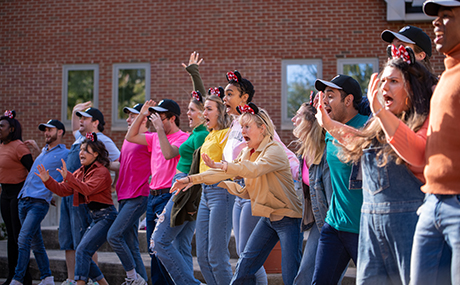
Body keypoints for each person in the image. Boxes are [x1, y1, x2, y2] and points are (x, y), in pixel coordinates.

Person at [317, 46, 436, 284]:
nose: (384, 87)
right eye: (382, 81)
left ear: (411, 88)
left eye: (393, 81)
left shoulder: (424, 119)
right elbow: (359, 142)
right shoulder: (378, 122)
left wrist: (380, 111)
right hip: (371, 229)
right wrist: (328, 124)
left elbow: (418, 153)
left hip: (407, 227)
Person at [171, 103, 303, 285]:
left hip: (288, 219)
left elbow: (253, 169)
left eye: (247, 127)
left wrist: (223, 165)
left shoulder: (274, 150)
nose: (242, 131)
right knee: (244, 267)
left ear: (262, 128)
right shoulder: (248, 152)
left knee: (290, 276)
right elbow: (226, 172)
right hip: (268, 218)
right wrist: (191, 180)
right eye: (241, 127)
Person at [223, 70, 299, 284]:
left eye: (230, 94)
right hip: (239, 191)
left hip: (253, 193)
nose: (225, 98)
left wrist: (301, 173)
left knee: (249, 255)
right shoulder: (234, 125)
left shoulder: (256, 124)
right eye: (225, 94)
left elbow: (283, 152)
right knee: (242, 251)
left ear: (244, 98)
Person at [410, 1, 460, 284]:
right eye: (436, 18)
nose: (436, 24)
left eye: (447, 16)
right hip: (431, 204)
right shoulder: (445, 78)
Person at [310, 75, 368, 284]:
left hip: (363, 228)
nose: (325, 101)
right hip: (334, 225)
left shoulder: (367, 127)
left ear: (348, 100)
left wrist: (328, 123)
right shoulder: (328, 130)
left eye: (331, 96)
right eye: (324, 96)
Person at [37, 132, 116, 285]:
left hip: (107, 217)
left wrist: (69, 177)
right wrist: (48, 181)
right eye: (80, 149)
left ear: (96, 154)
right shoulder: (80, 172)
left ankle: (80, 283)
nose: (81, 153)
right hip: (96, 217)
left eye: (86, 150)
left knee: (82, 250)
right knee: (83, 251)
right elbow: (63, 190)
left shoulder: (101, 172)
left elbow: (86, 189)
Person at [126, 99, 189, 285]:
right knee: (153, 249)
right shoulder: (154, 137)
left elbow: (169, 153)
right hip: (152, 196)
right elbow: (131, 136)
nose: (156, 121)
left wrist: (159, 129)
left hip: (168, 196)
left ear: (172, 118)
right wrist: (141, 115)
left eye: (160, 117)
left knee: (164, 247)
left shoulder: (183, 138)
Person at [59, 103, 120, 285]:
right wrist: (74, 109)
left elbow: (119, 162)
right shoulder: (81, 138)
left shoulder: (102, 140)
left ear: (95, 123)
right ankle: (73, 279)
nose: (80, 121)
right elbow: (73, 128)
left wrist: (110, 177)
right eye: (80, 118)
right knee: (71, 241)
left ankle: (88, 281)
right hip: (71, 192)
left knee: (83, 245)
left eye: (84, 118)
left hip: (86, 197)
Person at [151, 91, 208, 285]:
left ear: (204, 114)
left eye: (192, 110)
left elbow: (199, 168)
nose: (188, 113)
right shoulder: (196, 134)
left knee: (158, 241)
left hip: (185, 188)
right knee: (181, 245)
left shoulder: (201, 135)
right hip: (185, 186)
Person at [10, 119, 69, 285]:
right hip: (23, 199)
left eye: (50, 130)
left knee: (23, 239)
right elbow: (42, 169)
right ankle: (47, 277)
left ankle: (17, 279)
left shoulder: (66, 153)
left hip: (38, 202)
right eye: (45, 130)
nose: (47, 133)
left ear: (60, 132)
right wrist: (37, 149)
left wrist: (54, 191)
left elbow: (65, 176)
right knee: (36, 242)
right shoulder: (44, 151)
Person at [106, 103, 150, 285]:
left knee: (113, 235)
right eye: (129, 116)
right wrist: (102, 162)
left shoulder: (149, 139)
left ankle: (132, 276)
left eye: (133, 116)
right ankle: (142, 282)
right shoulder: (128, 140)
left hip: (138, 196)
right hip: (124, 196)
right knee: (131, 246)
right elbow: (121, 165)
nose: (128, 119)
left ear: (144, 118)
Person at [192, 93, 233, 285]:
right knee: (202, 257)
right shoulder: (209, 135)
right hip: (205, 194)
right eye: (204, 109)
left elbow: (232, 163)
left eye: (209, 109)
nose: (204, 113)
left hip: (222, 193)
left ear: (221, 112)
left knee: (216, 256)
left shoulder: (227, 134)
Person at [290, 103, 333, 285]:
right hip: (319, 219)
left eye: (298, 115)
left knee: (313, 275)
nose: (292, 119)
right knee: (307, 274)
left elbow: (332, 198)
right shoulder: (304, 153)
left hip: (333, 223)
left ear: (310, 122)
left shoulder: (325, 154)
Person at [0, 110, 33, 285]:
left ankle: (22, 277)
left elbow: (33, 170)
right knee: (10, 237)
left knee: (17, 237)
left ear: (11, 129)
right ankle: (12, 275)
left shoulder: (19, 146)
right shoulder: (1, 145)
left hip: (18, 194)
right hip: (4, 194)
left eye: (2, 126)